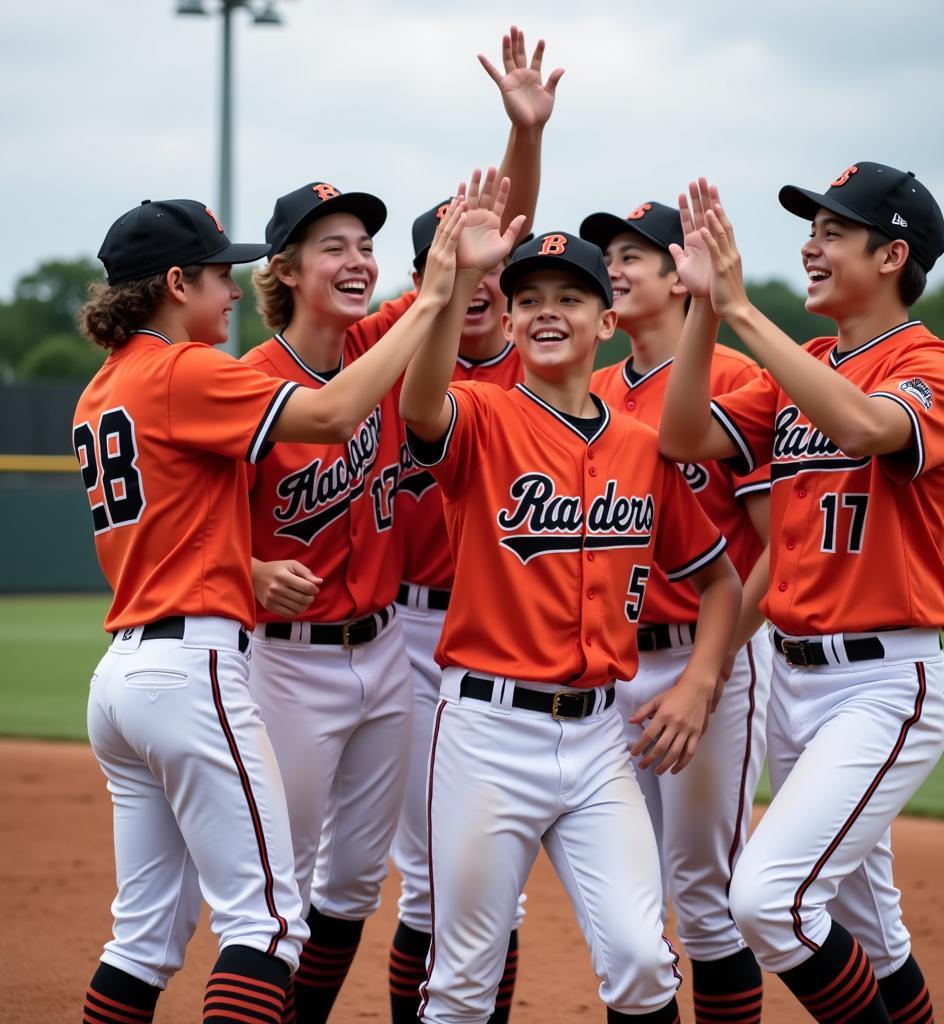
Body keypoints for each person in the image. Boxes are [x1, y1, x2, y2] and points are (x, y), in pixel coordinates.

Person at [74, 195, 464, 1024]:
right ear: (176, 283)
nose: (232, 289)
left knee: (141, 940)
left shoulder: (101, 389)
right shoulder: (181, 370)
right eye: (220, 274)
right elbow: (326, 414)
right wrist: (430, 301)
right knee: (271, 923)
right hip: (195, 668)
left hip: (124, 675)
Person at [400, 169, 742, 1024]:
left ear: (608, 319)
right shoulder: (480, 416)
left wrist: (701, 682)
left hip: (600, 739)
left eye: (572, 295)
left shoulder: (643, 446)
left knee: (640, 960)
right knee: (464, 980)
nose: (548, 309)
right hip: (485, 732)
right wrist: (449, 289)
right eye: (529, 298)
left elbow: (720, 582)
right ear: (508, 321)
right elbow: (419, 402)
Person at [659, 169, 944, 1024]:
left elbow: (869, 427)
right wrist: (709, 313)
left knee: (765, 900)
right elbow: (683, 433)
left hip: (881, 683)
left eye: (834, 232)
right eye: (813, 230)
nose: (810, 245)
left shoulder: (933, 364)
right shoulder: (807, 371)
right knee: (871, 939)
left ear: (893, 253)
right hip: (794, 686)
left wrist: (748, 314)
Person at [389, 24, 561, 1022]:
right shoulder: (397, 345)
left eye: (493, 264)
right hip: (416, 633)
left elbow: (512, 217)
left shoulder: (527, 358)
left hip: (523, 635)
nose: (486, 278)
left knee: (493, 883)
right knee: (433, 877)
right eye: (457, 264)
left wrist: (521, 131)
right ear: (428, 281)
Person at [581, 199, 772, 1024]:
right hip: (617, 666)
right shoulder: (588, 387)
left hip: (707, 657)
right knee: (630, 903)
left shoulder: (736, 380)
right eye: (609, 257)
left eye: (632, 254)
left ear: (680, 274)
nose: (613, 269)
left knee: (702, 896)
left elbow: (774, 547)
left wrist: (710, 673)